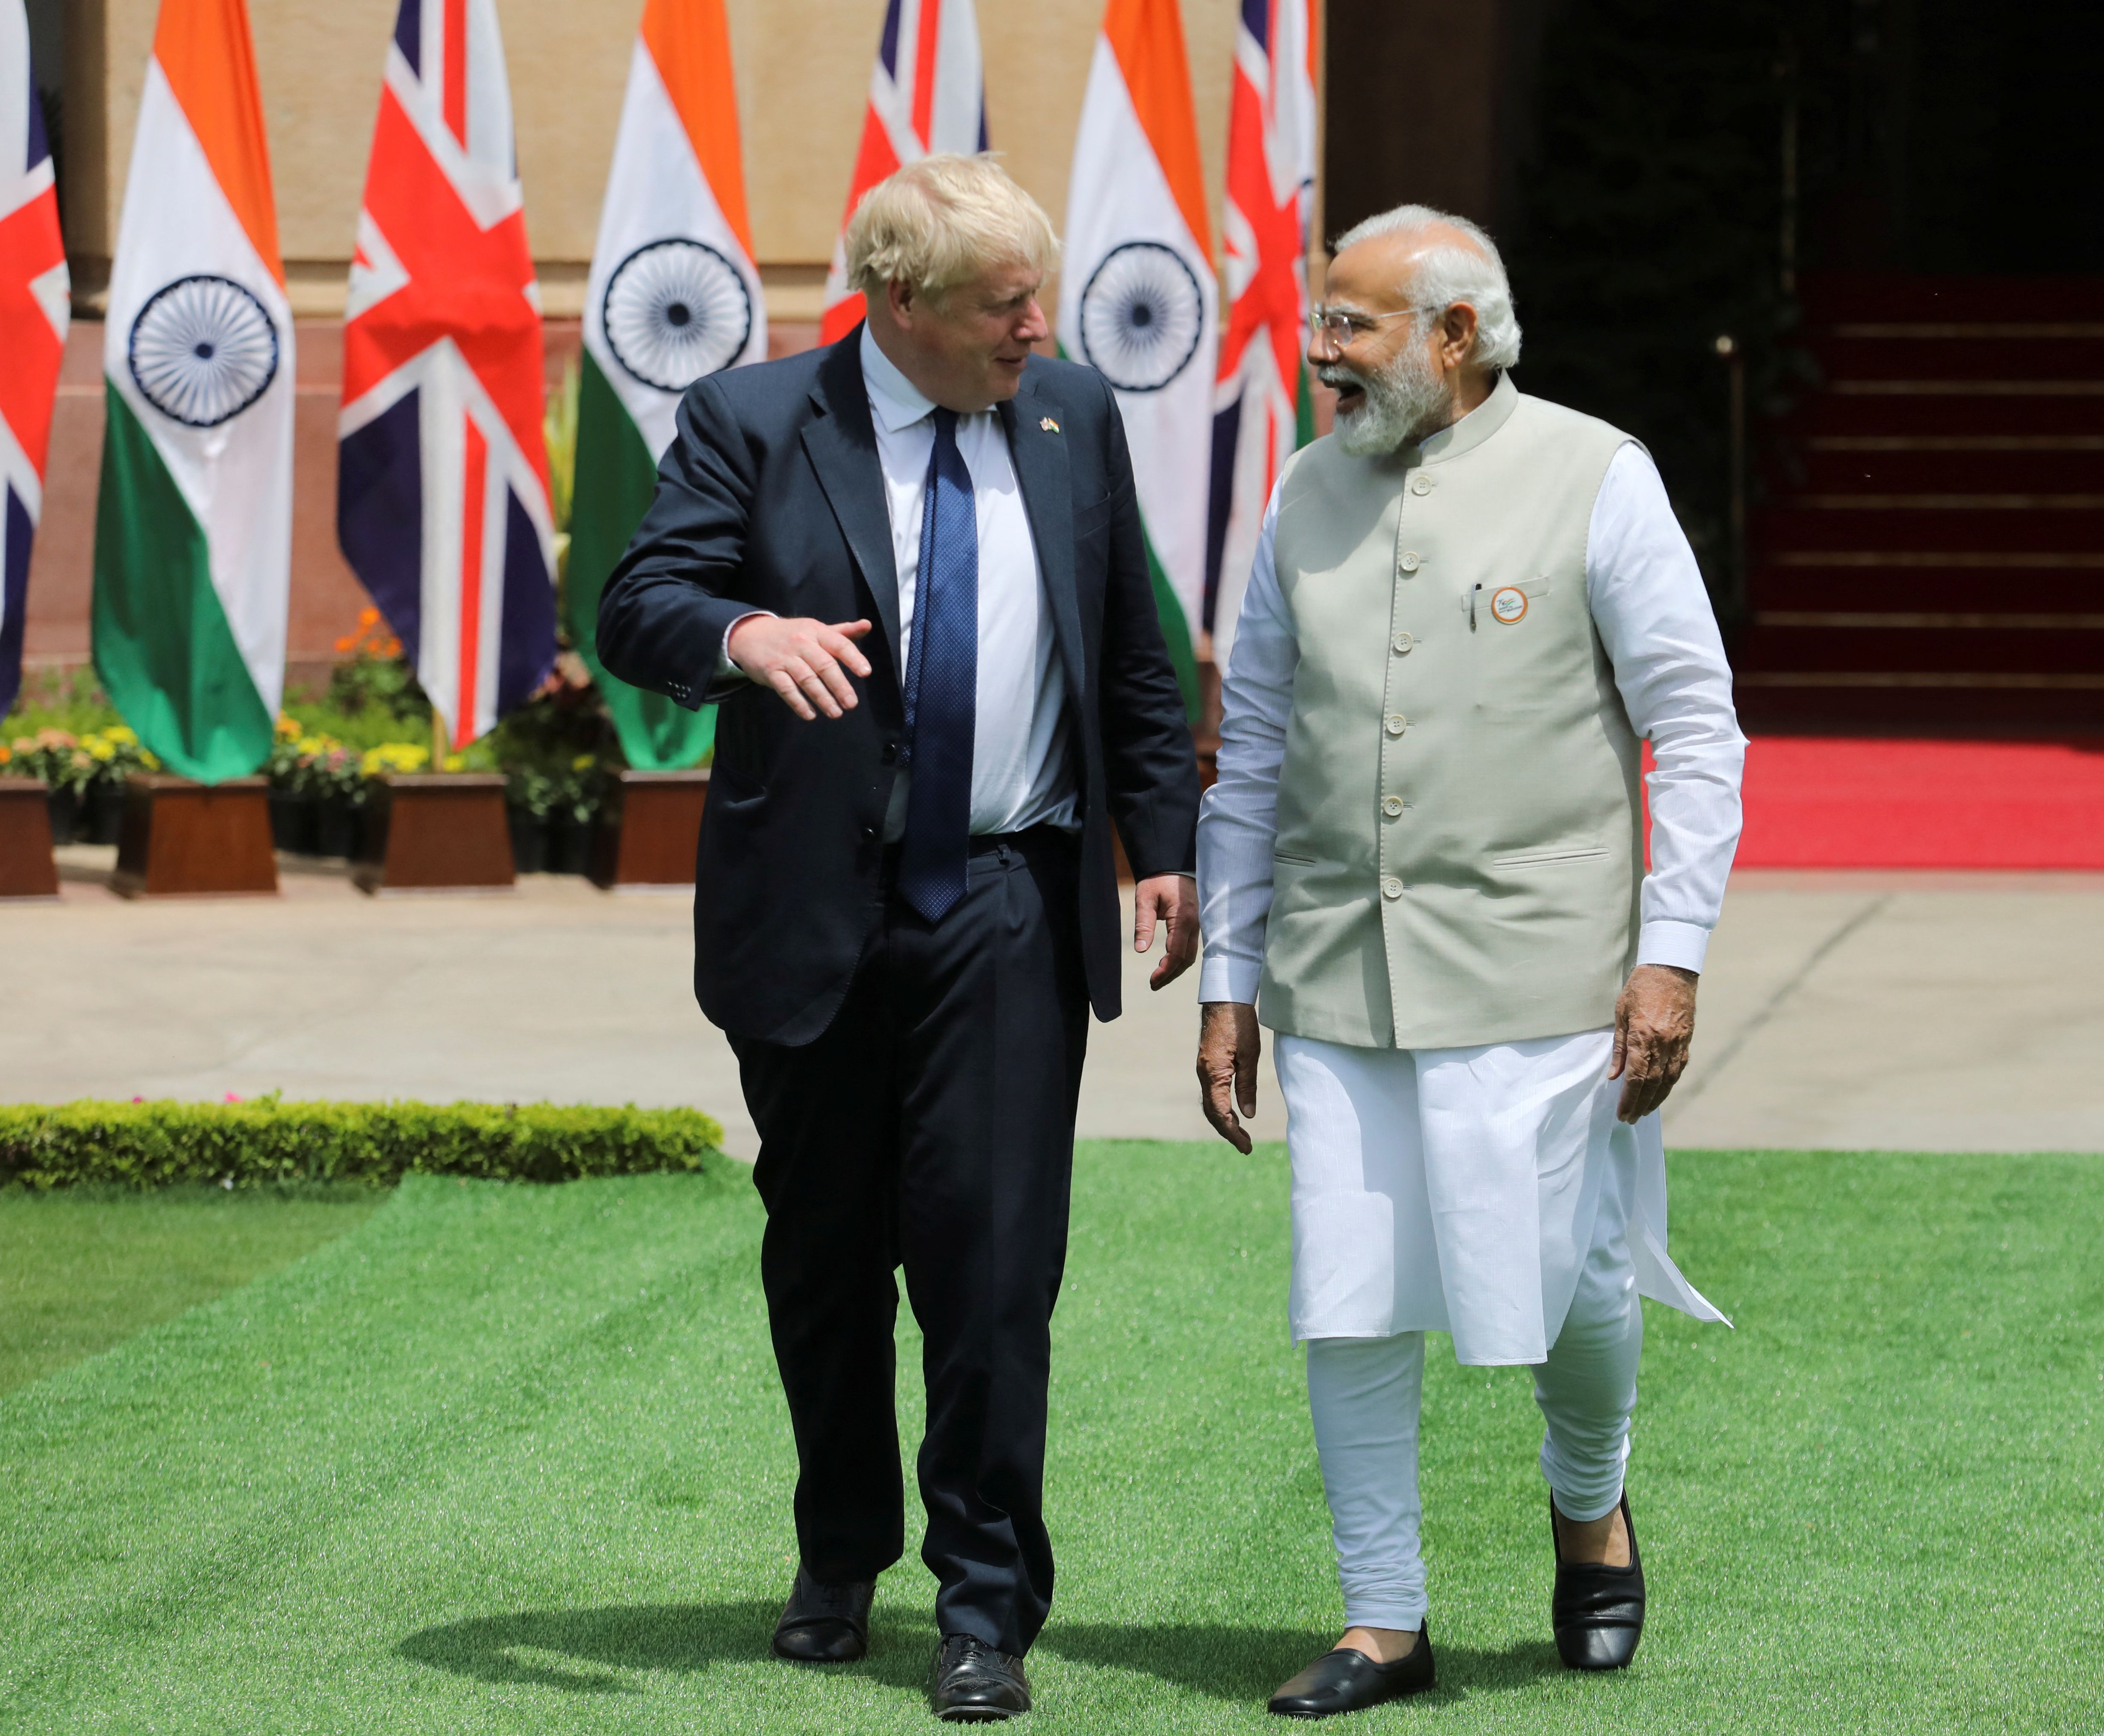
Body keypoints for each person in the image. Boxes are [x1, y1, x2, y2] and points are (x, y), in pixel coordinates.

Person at [597, 152, 1201, 1724]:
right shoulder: (755, 420)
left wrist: (1164, 848)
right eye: (1004, 303)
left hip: (1008, 899)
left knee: (992, 1267)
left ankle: (984, 1603)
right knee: (823, 1255)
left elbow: (1135, 648)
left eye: (1039, 297)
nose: (1034, 327)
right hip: (810, 908)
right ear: (899, 302)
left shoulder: (1071, 417)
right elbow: (639, 598)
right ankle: (840, 1552)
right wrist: (745, 633)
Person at [1193, 205, 1745, 1719]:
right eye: (1321, 322)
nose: (1320, 353)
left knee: (1568, 1280)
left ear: (1455, 334)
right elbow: (1247, 753)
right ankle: (1383, 1618)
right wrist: (1229, 978)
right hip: (1334, 966)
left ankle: (1591, 1506)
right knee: (1350, 1291)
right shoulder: (1302, 494)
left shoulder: (1596, 474)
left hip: (1543, 967)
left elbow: (1692, 728)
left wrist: (1672, 956)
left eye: (1353, 325)